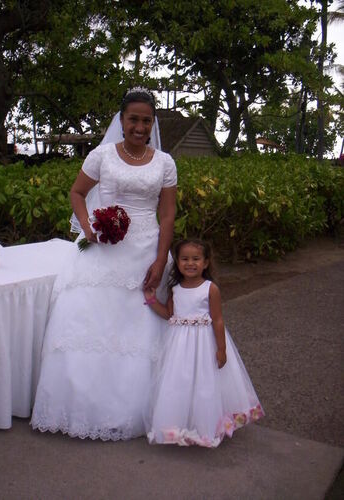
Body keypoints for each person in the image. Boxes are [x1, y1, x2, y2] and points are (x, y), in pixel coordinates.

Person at [31, 87, 177, 441]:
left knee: (139, 331)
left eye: (146, 120)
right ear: (121, 121)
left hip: (145, 252)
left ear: (153, 122)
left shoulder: (165, 162)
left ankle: (133, 411)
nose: (139, 127)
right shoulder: (102, 155)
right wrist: (87, 225)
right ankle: (85, 409)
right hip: (104, 253)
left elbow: (168, 213)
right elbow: (77, 192)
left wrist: (160, 260)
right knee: (93, 325)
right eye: (133, 119)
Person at [143, 238, 264, 448]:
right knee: (180, 383)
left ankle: (207, 426)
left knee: (205, 384)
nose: (190, 263)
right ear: (178, 263)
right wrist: (152, 300)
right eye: (185, 259)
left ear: (206, 263)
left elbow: (217, 320)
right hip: (180, 347)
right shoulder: (175, 290)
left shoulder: (211, 289)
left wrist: (222, 349)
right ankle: (180, 425)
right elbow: (169, 314)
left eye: (196, 259)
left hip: (205, 345)